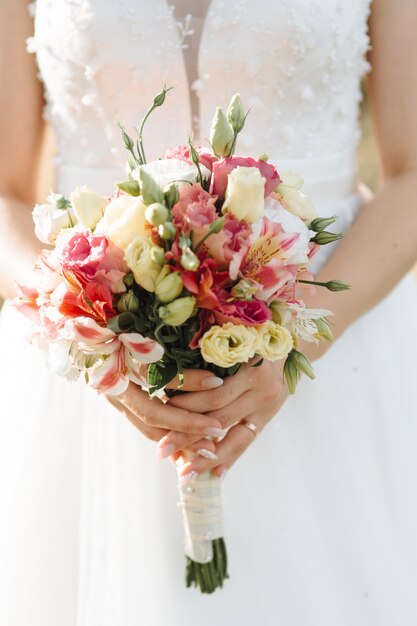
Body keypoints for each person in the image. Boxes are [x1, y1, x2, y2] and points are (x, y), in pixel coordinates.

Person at [0, 1, 416, 624]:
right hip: (87, 383)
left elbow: (411, 175)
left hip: (336, 345)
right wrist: (86, 328)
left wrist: (292, 336)